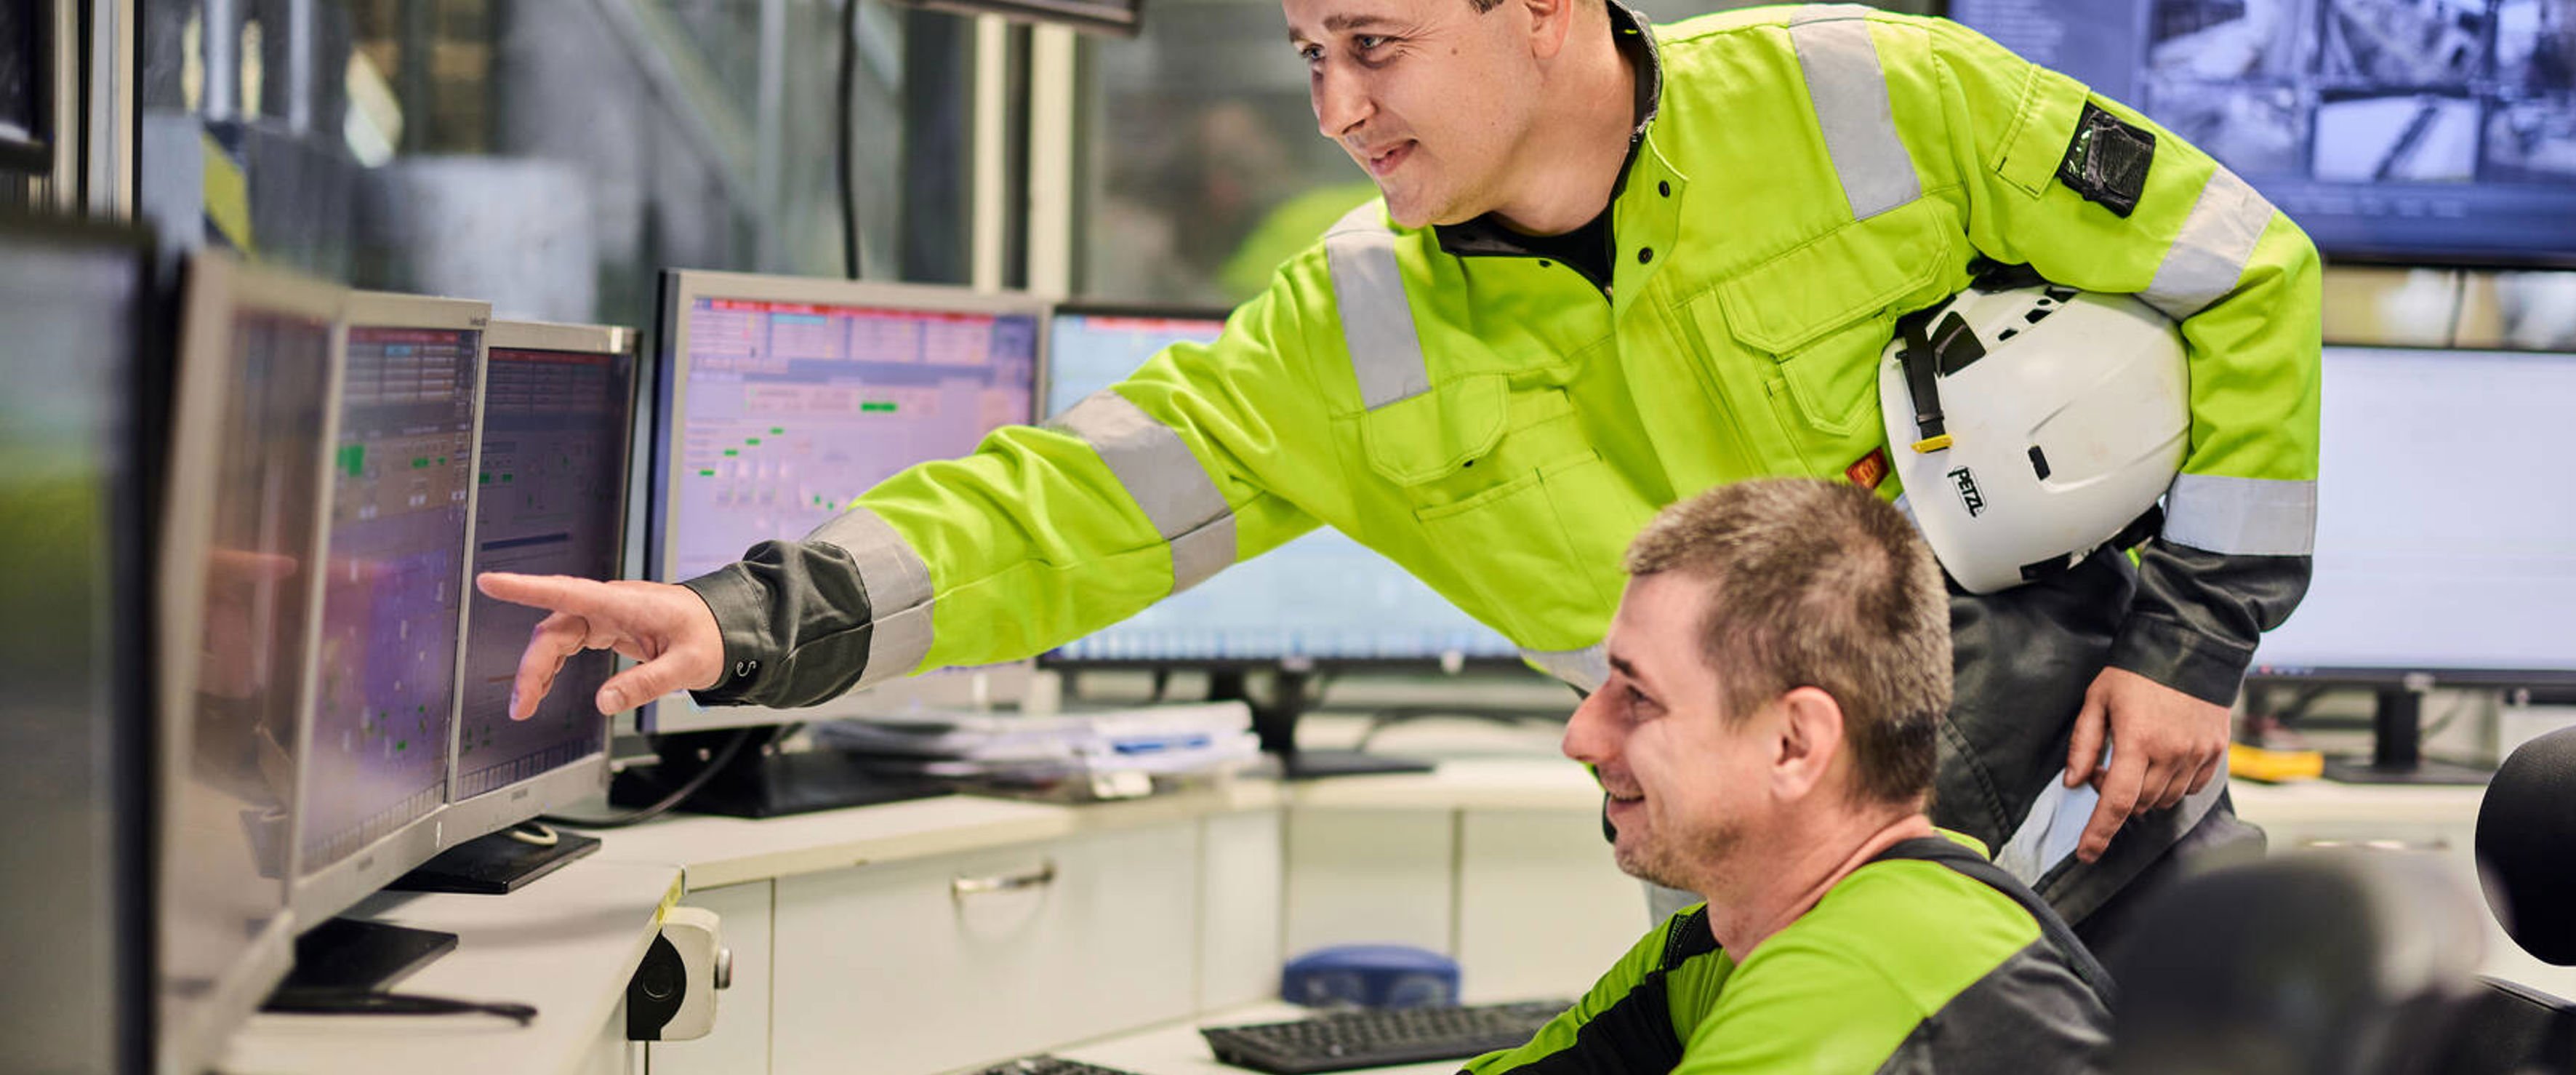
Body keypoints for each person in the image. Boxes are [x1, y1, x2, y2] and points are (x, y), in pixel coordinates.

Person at [478, 0, 2319, 946]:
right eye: (1303, 53)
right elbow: (1063, 509)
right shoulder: (1336, 333)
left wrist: (2192, 649)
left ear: (1535, 8)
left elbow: (2244, 271)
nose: (1335, 107)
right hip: (1760, 912)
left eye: (1372, 42)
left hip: (2091, 843)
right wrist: (741, 622)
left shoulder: (1876, 101)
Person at [1466, 477, 2111, 1074]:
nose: (1581, 736)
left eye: (1639, 697)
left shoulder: (1865, 967)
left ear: (1794, 744)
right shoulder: (1720, 949)